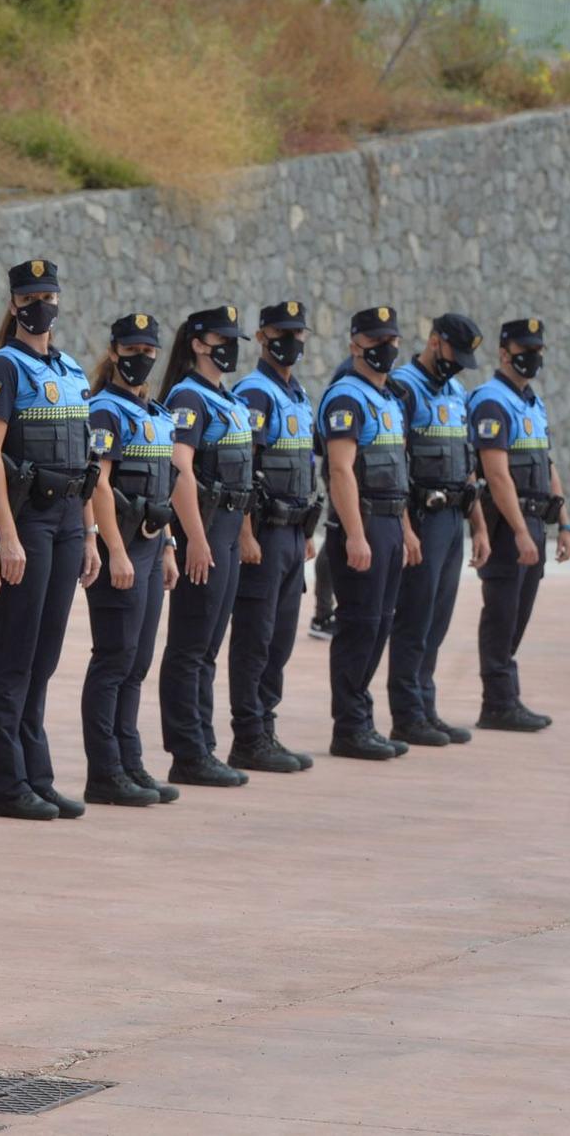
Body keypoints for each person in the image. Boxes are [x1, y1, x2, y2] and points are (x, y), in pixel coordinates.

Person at [0, 260, 97, 821]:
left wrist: (93, 534)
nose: (40, 305)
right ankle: (5, 785)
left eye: (48, 294)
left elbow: (89, 460)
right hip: (31, 521)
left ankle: (36, 775)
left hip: (72, 518)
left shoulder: (71, 368)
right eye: (30, 296)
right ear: (14, 303)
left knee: (44, 655)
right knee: (14, 654)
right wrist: (6, 536)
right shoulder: (4, 365)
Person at [80, 314, 180, 807]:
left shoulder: (157, 414)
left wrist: (166, 547)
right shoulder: (104, 410)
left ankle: (130, 762)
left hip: (149, 546)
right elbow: (98, 484)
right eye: (132, 349)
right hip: (119, 548)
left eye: (149, 350)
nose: (141, 358)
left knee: (137, 661)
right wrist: (113, 549)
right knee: (114, 658)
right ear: (115, 351)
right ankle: (105, 771)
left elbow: (163, 488)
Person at [157, 305, 255, 788]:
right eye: (222, 337)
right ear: (197, 343)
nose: (230, 346)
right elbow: (180, 470)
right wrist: (194, 537)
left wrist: (243, 533)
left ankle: (204, 744)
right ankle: (188, 751)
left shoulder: (228, 398)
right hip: (206, 528)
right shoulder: (189, 398)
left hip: (228, 527)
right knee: (191, 646)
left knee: (210, 645)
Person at [225, 301, 321, 774]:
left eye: (299, 334)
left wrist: (306, 532)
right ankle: (248, 735)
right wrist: (245, 534)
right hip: (262, 535)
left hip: (291, 533)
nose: (293, 342)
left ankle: (266, 727)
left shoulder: (297, 394)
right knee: (255, 639)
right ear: (262, 337)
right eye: (284, 333)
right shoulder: (255, 394)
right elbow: (245, 470)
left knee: (280, 639)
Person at [318, 305, 417, 761]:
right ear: (355, 345)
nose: (386, 349)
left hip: (389, 520)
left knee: (381, 625)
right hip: (363, 524)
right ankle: (350, 727)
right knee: (359, 626)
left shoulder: (390, 399)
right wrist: (356, 535)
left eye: (391, 341)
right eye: (376, 342)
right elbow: (340, 470)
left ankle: (363, 720)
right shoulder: (346, 397)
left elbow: (397, 473)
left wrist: (406, 529)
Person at [386, 314, 488, 745]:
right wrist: (405, 527)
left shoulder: (456, 391)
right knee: (415, 617)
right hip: (422, 517)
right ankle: (407, 714)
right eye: (453, 354)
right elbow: (395, 465)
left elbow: (467, 466)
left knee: (438, 619)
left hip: (452, 520)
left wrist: (479, 526)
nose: (457, 365)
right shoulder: (403, 387)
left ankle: (426, 705)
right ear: (433, 342)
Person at [471, 317, 570, 731]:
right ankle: (496, 702)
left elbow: (546, 463)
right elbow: (495, 476)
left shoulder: (531, 401)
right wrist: (518, 530)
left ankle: (506, 696)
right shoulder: (491, 401)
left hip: (534, 521)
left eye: (538, 350)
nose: (532, 357)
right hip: (508, 526)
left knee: (519, 613)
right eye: (524, 350)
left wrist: (565, 523)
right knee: (502, 612)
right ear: (504, 352)